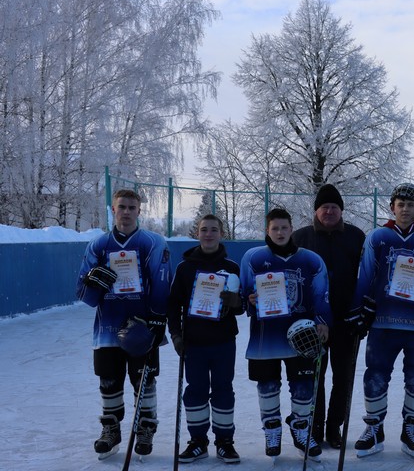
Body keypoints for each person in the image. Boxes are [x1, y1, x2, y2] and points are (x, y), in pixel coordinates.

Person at [346, 183, 414, 459]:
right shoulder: (377, 237)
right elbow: (364, 275)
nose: (405, 209)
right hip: (383, 321)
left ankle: (411, 428)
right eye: (400, 204)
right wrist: (358, 311)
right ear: (392, 207)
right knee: (375, 374)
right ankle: (374, 428)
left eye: (410, 205)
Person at [76, 188, 172, 460]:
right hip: (107, 326)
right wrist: (92, 283)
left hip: (142, 325)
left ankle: (146, 428)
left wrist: (156, 319)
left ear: (139, 211)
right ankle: (111, 429)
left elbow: (163, 283)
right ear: (113, 209)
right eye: (122, 207)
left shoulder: (153, 243)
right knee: (108, 379)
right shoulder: (97, 245)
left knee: (144, 379)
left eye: (132, 207)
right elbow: (83, 294)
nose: (126, 212)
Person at [240, 208, 332, 462]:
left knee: (303, 387)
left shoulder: (312, 260)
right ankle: (272, 430)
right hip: (266, 335)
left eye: (284, 227)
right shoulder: (253, 257)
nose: (280, 232)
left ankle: (301, 429)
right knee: (267, 385)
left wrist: (323, 321)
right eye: (274, 228)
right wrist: (248, 299)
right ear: (267, 231)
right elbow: (243, 293)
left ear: (292, 229)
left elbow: (321, 294)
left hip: (302, 335)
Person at [291, 184, 366, 448]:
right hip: (313, 322)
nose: (330, 211)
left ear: (342, 210)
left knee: (343, 377)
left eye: (335, 207)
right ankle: (315, 427)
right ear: (316, 210)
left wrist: (362, 313)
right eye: (325, 207)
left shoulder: (357, 236)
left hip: (347, 320)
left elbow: (366, 276)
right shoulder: (300, 238)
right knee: (315, 376)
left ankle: (334, 427)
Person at [167, 214, 243, 464]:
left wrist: (236, 302)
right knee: (196, 391)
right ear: (197, 234)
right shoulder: (185, 267)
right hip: (194, 343)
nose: (208, 234)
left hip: (223, 342)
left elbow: (241, 307)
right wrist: (176, 335)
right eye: (203, 230)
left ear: (221, 234)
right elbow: (173, 305)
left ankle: (225, 441)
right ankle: (198, 441)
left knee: (223, 390)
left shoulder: (231, 267)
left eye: (213, 230)